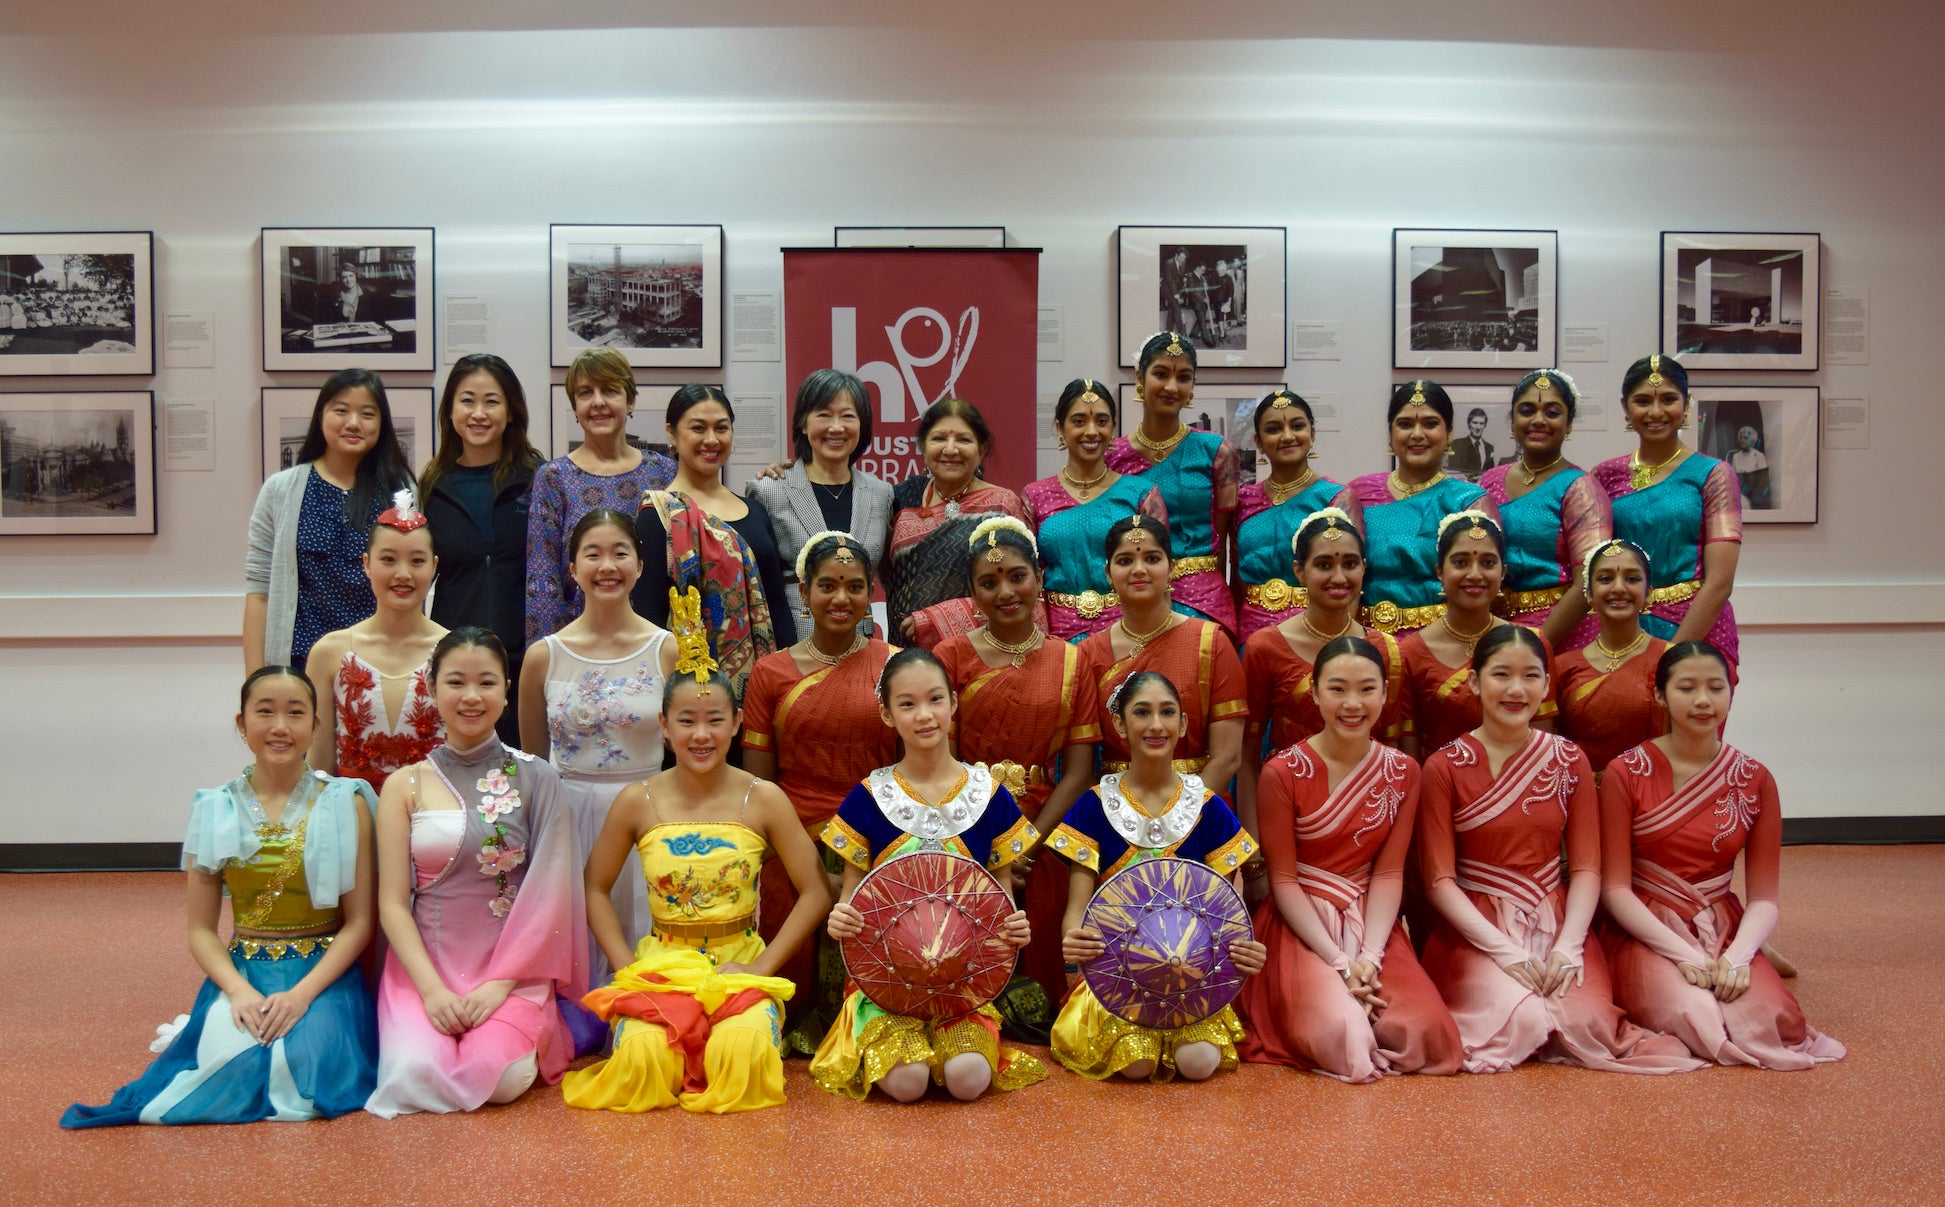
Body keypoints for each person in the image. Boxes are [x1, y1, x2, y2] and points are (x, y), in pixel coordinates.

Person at [61, 667, 379, 1127]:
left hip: (322, 974)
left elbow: (360, 924)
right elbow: (200, 931)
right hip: (245, 970)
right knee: (231, 1067)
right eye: (264, 712)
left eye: (295, 713)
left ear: (315, 725)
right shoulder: (215, 807)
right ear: (241, 724)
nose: (279, 727)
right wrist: (239, 992)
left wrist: (302, 996)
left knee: (306, 1077)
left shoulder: (346, 801)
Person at [561, 630, 833, 1114]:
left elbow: (814, 891)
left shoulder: (762, 797)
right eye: (686, 721)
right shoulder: (637, 800)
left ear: (737, 724)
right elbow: (594, 887)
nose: (700, 735)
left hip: (740, 964)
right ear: (664, 726)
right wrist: (627, 967)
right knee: (644, 1063)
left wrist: (762, 967)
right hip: (660, 967)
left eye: (714, 720)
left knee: (741, 1057)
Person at [1417, 628, 1703, 1074]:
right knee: (1521, 1019)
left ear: (1547, 687)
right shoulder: (1442, 766)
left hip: (1557, 915)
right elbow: (1438, 881)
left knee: (1586, 1022)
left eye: (1531, 676)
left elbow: (1588, 868)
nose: (1516, 690)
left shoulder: (1569, 759)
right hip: (1473, 924)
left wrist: (1569, 945)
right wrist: (1503, 950)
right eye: (1501, 675)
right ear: (1474, 682)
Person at [364, 628, 587, 1117]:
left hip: (511, 970)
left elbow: (551, 895)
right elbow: (393, 903)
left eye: (486, 682)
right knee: (412, 1074)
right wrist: (431, 991)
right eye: (456, 682)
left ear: (506, 691)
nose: (471, 696)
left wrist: (499, 984)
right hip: (425, 967)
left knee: (503, 1079)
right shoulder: (403, 786)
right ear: (431, 688)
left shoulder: (537, 777)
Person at [810, 648, 1046, 1101]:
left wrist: (1015, 927)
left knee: (968, 1080)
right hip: (884, 983)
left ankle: (958, 1041)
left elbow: (999, 897)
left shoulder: (990, 797)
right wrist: (841, 918)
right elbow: (854, 895)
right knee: (906, 1083)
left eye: (935, 699)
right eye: (907, 704)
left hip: (965, 983)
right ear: (886, 714)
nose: (924, 715)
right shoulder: (867, 797)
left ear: (953, 703)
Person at [1597, 642, 1845, 1069]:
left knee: (1774, 1022)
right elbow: (1615, 888)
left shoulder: (1755, 778)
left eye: (1716, 687)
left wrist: (1739, 956)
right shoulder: (1626, 772)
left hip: (1723, 924)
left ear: (1731, 692)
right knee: (1697, 1017)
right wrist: (1684, 954)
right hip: (1644, 926)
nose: (1702, 701)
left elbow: (1765, 898)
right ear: (1659, 694)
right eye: (1686, 687)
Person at [1234, 636, 1464, 1081]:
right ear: (1316, 693)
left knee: (1428, 1037)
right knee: (1346, 1037)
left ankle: (1370, 986)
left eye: (1366, 689)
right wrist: (1339, 962)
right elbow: (1283, 881)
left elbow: (1389, 872)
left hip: (1371, 920)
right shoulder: (1281, 772)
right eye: (1337, 689)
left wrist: (1370, 958)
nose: (1352, 703)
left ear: (1385, 693)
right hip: (1300, 925)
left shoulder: (1404, 771)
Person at [1049, 671, 1265, 1082]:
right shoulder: (1094, 806)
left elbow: (1228, 913)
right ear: (1119, 724)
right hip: (1114, 976)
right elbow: (1077, 910)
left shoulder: (1209, 807)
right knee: (1136, 1063)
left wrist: (1246, 950)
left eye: (1167, 713)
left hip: (1191, 979)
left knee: (1198, 1062)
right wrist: (1074, 948)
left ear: (1183, 725)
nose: (1155, 725)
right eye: (1142, 713)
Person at [741, 531, 899, 1052]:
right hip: (793, 833)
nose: (840, 598)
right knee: (786, 894)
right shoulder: (771, 673)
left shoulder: (894, 664)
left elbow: (910, 766)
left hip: (880, 831)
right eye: (827, 585)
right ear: (804, 591)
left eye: (854, 586)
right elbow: (760, 781)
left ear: (869, 592)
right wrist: (803, 860)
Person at [934, 517, 1100, 1003]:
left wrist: (1026, 848)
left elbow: (1080, 771)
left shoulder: (1071, 659)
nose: (1005, 592)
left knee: (1047, 928)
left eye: (1017, 577)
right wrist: (989, 841)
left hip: (1047, 823)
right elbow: (941, 757)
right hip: (967, 821)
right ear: (973, 593)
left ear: (1039, 577)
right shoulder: (950, 655)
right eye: (989, 583)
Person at [518, 509, 676, 988]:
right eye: (593, 554)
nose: (607, 566)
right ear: (572, 570)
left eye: (619, 553)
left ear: (641, 565)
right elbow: (533, 760)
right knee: (575, 948)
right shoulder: (544, 656)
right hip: (569, 813)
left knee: (643, 938)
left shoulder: (667, 649)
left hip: (648, 813)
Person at [1239, 509, 1404, 843]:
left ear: (1364, 568)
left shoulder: (1384, 649)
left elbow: (1393, 754)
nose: (1339, 577)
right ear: (1299, 571)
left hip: (1366, 814)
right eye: (1324, 565)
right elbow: (1246, 756)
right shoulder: (1266, 647)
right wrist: (1255, 854)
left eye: (1350, 564)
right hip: (1288, 809)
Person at [245, 369, 414, 672]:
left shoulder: (399, 493)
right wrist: (257, 683)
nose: (353, 423)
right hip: (299, 666)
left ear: (381, 424)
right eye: (341, 410)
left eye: (367, 413)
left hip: (378, 665)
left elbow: (412, 585)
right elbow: (259, 592)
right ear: (321, 415)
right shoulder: (280, 490)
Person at [634, 385, 791, 703]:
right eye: (697, 428)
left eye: (721, 428)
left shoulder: (755, 510)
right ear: (672, 434)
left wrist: (789, 680)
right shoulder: (658, 515)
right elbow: (649, 617)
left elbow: (776, 604)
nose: (711, 439)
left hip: (760, 687)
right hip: (689, 693)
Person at [419, 354, 542, 745]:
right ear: (451, 410)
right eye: (467, 400)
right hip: (456, 664)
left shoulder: (539, 479)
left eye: (492, 401)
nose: (478, 412)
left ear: (510, 412)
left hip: (525, 661)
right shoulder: (433, 485)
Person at [1077, 514, 1245, 793]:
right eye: (1125, 561)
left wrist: (1179, 816)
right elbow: (1081, 768)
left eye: (1152, 559)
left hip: (1198, 806)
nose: (1139, 569)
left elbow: (1227, 758)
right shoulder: (1088, 653)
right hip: (1115, 806)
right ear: (1108, 573)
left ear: (1172, 568)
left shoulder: (1211, 642)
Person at [1593, 355, 1743, 666]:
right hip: (1623, 628)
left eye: (1669, 399)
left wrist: (1674, 654)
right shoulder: (1605, 476)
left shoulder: (1712, 474)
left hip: (1696, 632)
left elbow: (1719, 583)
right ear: (1625, 407)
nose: (1656, 412)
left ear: (1686, 404)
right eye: (1643, 401)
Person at [525, 347, 677, 646]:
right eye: (585, 393)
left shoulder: (664, 473)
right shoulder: (554, 478)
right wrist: (550, 658)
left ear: (630, 400)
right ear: (575, 405)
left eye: (609, 390)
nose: (598, 402)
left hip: (656, 642)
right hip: (581, 644)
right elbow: (543, 585)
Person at [304, 491, 446, 794]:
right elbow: (319, 763)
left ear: (434, 567)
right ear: (367, 564)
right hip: (353, 818)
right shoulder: (330, 652)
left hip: (432, 821)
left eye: (417, 561)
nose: (403, 574)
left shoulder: (454, 651)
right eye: (388, 560)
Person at [1103, 331, 1241, 636]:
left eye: (1183, 377)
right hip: (1134, 595)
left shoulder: (1217, 452)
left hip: (1204, 599)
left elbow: (1224, 540)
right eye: (1161, 374)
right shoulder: (1112, 456)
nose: (1171, 386)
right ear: (1140, 377)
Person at [1342, 381, 1502, 638]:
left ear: (1449, 433)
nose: (1417, 434)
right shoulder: (1359, 493)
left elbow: (1483, 587)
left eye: (1430, 424)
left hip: (1444, 644)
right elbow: (1340, 574)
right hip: (1365, 642)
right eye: (1405, 424)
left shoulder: (1469, 501)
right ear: (1390, 434)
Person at [1397, 511, 1557, 760]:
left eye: (1488, 563)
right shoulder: (1409, 653)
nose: (1474, 574)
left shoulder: (1532, 644)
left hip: (1520, 787)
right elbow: (1409, 755)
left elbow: (1541, 745)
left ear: (1502, 573)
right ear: (1439, 571)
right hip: (1441, 789)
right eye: (1461, 562)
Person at [746, 369, 894, 636]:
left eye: (848, 416)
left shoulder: (881, 494)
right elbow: (755, 585)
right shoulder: (769, 490)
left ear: (863, 425)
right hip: (795, 642)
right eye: (823, 415)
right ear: (803, 423)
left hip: (861, 642)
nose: (836, 427)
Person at [1476, 371, 1612, 651]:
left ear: (1569, 423)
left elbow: (1588, 581)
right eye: (1527, 411)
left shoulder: (1581, 487)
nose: (1539, 420)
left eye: (1552, 412)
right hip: (1496, 628)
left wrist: (1534, 647)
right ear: (1513, 422)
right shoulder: (1490, 480)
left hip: (1562, 632)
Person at [1022, 378, 1167, 641]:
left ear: (1112, 428)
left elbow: (1160, 576)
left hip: (1128, 632)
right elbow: (1027, 575)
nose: (1091, 431)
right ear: (1059, 428)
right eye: (1079, 421)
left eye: (1101, 421)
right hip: (1055, 637)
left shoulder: (1142, 494)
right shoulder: (1035, 496)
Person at [885, 398, 1034, 648]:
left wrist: (935, 619)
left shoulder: (1002, 505)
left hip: (982, 651)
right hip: (905, 650)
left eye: (963, 440)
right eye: (939, 438)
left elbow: (1020, 588)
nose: (950, 449)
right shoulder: (902, 499)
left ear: (982, 449)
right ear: (923, 445)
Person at [1233, 390, 1359, 642]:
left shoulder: (1335, 498)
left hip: (1315, 631)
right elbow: (1237, 580)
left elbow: (1349, 583)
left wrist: (1341, 644)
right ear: (1258, 441)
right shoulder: (1244, 499)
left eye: (1297, 426)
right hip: (1251, 635)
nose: (1287, 436)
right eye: (1274, 429)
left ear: (1312, 434)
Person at [1554, 540, 1668, 774]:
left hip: (1651, 797)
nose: (1618, 588)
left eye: (1632, 579)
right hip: (1582, 797)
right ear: (1589, 594)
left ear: (1648, 593)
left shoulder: (1671, 660)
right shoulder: (1563, 667)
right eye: (1605, 579)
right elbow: (1551, 749)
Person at [1446, 407, 1496, 479]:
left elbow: (1490, 473)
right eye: (1475, 423)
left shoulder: (1489, 447)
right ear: (1469, 424)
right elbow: (1453, 470)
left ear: (1485, 425)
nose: (1478, 427)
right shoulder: (1457, 444)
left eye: (1481, 423)